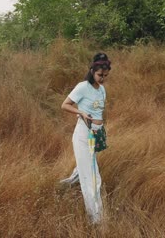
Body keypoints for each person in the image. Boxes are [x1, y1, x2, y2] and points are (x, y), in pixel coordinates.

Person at [60, 52, 111, 224]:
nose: (102, 78)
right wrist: (80, 112)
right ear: (92, 71)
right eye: (99, 75)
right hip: (84, 134)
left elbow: (99, 111)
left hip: (96, 134)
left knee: (85, 167)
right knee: (93, 178)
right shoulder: (82, 87)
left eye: (105, 75)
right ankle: (96, 220)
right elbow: (65, 104)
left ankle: (64, 185)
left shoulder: (102, 89)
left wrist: (101, 128)